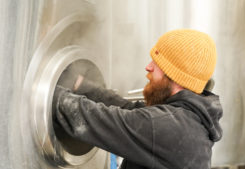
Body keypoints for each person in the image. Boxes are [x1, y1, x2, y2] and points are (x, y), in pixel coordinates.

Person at [53, 29, 223, 169]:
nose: (148, 66)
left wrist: (47, 91)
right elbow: (129, 109)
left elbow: (94, 119)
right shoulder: (186, 121)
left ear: (175, 76)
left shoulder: (167, 128)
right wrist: (80, 84)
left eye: (157, 63)